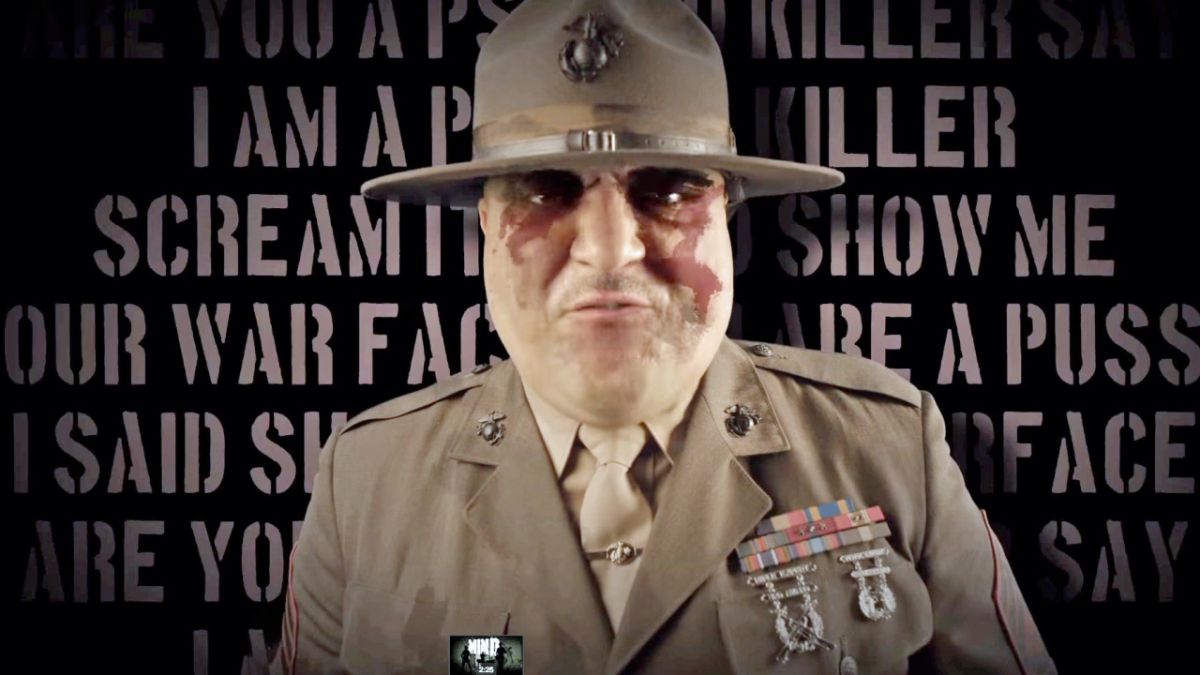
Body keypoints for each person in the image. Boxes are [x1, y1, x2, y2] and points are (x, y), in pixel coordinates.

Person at [270, 1, 1056, 673]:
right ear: (484, 222)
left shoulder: (885, 448)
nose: (611, 248)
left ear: (728, 216)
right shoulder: (367, 483)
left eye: (671, 187)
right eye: (545, 188)